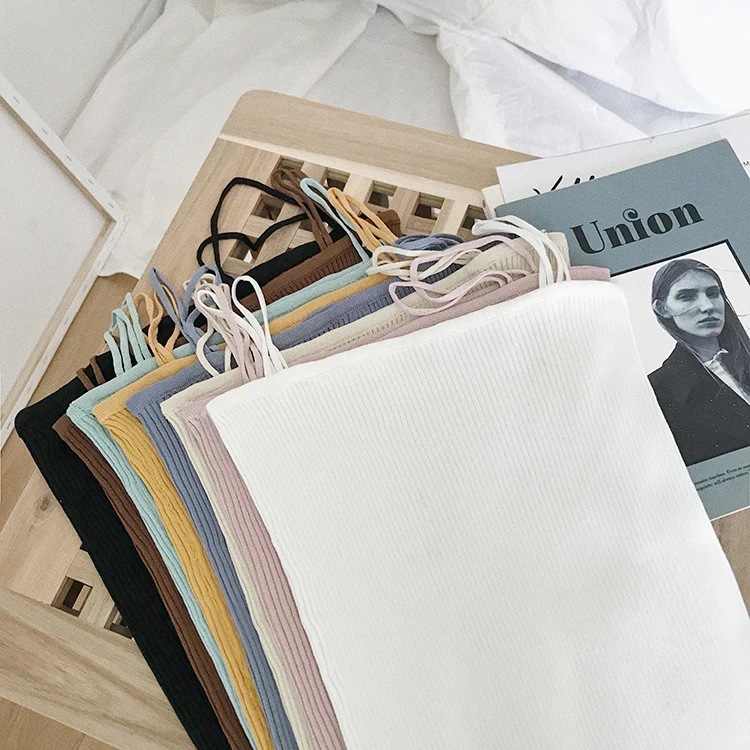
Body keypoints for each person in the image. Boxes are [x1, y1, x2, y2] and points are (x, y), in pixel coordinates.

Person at [649, 257, 750, 466]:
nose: (707, 306)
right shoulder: (656, 390)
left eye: (713, 293)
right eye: (686, 296)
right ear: (662, 308)